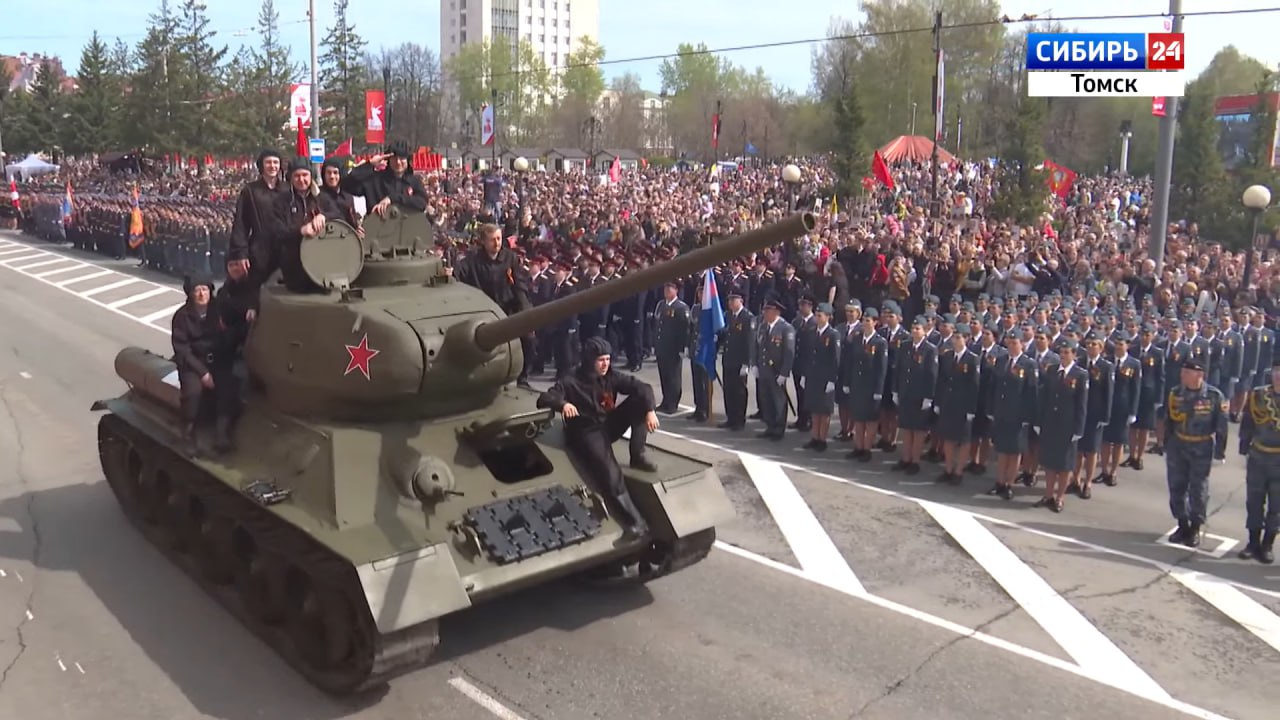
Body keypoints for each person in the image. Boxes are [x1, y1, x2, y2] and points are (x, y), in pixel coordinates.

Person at [537, 337, 660, 536]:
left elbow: (642, 387)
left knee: (640, 402)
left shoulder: (610, 377)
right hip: (586, 431)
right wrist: (563, 404)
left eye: (608, 359)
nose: (605, 364)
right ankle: (635, 522)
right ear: (589, 360)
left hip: (606, 425)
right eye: (600, 360)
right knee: (610, 471)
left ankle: (638, 455)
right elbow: (545, 397)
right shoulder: (572, 380)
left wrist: (650, 410)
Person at [453, 222, 535, 388]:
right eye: (492, 240)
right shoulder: (473, 260)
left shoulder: (510, 258)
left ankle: (523, 377)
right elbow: (458, 274)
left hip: (508, 308)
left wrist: (526, 311)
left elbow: (519, 285)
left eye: (499, 238)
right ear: (483, 241)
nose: (497, 243)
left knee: (528, 339)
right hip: (484, 311)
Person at [1163, 358, 1230, 547]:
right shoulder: (1175, 393)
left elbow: (1222, 427)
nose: (1182, 375)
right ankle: (1182, 524)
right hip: (1178, 445)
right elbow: (1169, 420)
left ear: (1199, 375)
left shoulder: (1214, 396)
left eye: (1187, 372)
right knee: (1176, 487)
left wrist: (1220, 453)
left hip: (1201, 447)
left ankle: (1195, 527)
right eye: (1182, 372)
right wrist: (1166, 444)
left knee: (1198, 489)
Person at [1034, 339, 1088, 513]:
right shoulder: (1051, 370)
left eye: (1066, 352)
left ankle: (1060, 497)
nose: (1063, 356)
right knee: (1050, 461)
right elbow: (1043, 398)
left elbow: (1081, 404)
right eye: (1061, 352)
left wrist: (1078, 429)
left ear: (1074, 354)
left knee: (1064, 464)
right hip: (1050, 422)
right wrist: (1039, 421)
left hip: (1068, 425)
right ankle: (1048, 495)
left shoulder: (1080, 375)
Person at [171, 275, 223, 455]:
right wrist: (203, 373)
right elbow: (182, 350)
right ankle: (188, 433)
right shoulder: (182, 316)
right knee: (193, 393)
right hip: (193, 363)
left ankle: (221, 430)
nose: (202, 294)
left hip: (216, 359)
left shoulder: (218, 311)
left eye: (205, 289)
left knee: (230, 385)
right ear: (191, 293)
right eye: (197, 290)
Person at [1238, 356, 1280, 564]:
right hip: (1258, 456)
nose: (1279, 376)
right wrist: (1244, 446)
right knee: (1254, 502)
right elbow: (1248, 422)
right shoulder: (1258, 395)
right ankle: (1252, 542)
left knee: (1276, 506)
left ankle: (1267, 545)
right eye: (1276, 371)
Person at [227, 148, 286, 291]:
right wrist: (241, 253)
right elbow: (241, 223)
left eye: (276, 162)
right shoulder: (250, 190)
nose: (272, 166)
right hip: (260, 249)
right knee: (258, 290)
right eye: (268, 162)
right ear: (261, 165)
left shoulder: (287, 189)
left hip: (285, 248)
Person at [753, 297, 796, 440]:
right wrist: (755, 364)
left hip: (776, 371)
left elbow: (789, 353)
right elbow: (757, 346)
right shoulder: (763, 327)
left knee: (778, 400)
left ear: (776, 312)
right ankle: (770, 426)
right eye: (764, 310)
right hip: (764, 369)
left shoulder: (786, 328)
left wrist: (784, 373)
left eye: (768, 310)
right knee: (766, 399)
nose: (764, 313)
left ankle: (778, 428)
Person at [803, 302, 840, 451]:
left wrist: (832, 380)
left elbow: (835, 359)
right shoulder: (812, 332)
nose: (817, 318)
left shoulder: (833, 334)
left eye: (820, 315)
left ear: (828, 317)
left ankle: (822, 439)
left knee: (824, 410)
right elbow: (808, 355)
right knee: (814, 408)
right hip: (813, 376)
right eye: (817, 315)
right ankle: (815, 437)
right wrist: (805, 374)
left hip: (825, 378)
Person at [653, 281, 689, 413]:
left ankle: (673, 403)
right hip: (662, 346)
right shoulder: (661, 305)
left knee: (673, 376)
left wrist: (682, 347)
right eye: (665, 288)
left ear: (676, 290)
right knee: (664, 375)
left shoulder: (681, 307)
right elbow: (657, 325)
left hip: (673, 348)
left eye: (670, 288)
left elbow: (684, 330)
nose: (667, 291)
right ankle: (666, 400)